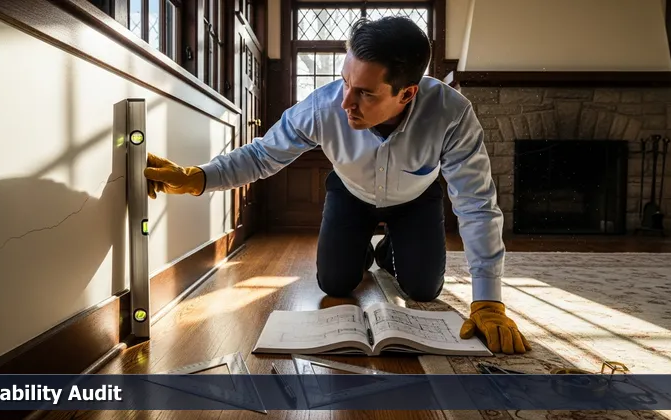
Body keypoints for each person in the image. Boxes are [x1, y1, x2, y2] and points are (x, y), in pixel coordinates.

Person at [144, 16, 531, 354]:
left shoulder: (452, 114)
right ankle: (358, 245)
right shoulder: (323, 106)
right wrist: (199, 177)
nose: (347, 102)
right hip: (351, 194)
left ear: (407, 93)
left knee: (424, 289)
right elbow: (263, 155)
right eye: (346, 81)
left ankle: (391, 249)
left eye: (365, 92)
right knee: (335, 282)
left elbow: (477, 204)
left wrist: (488, 302)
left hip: (416, 199)